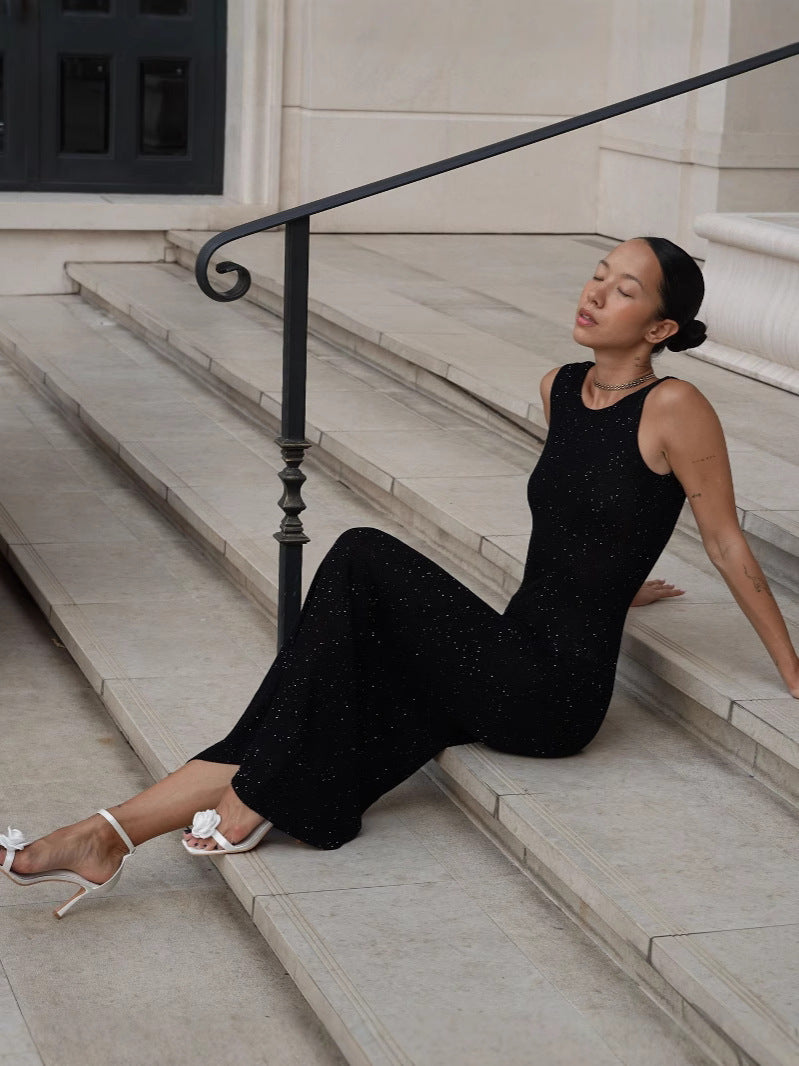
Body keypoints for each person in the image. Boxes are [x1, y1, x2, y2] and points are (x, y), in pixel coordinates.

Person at [3, 236, 798, 919]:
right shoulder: (560, 387)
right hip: (509, 645)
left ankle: (244, 795)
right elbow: (583, 514)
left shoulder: (676, 406)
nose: (594, 294)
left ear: (659, 327)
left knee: (360, 557)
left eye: (623, 289)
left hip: (552, 696)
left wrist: (790, 674)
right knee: (311, 698)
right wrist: (614, 582)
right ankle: (108, 834)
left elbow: (724, 543)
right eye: (597, 274)